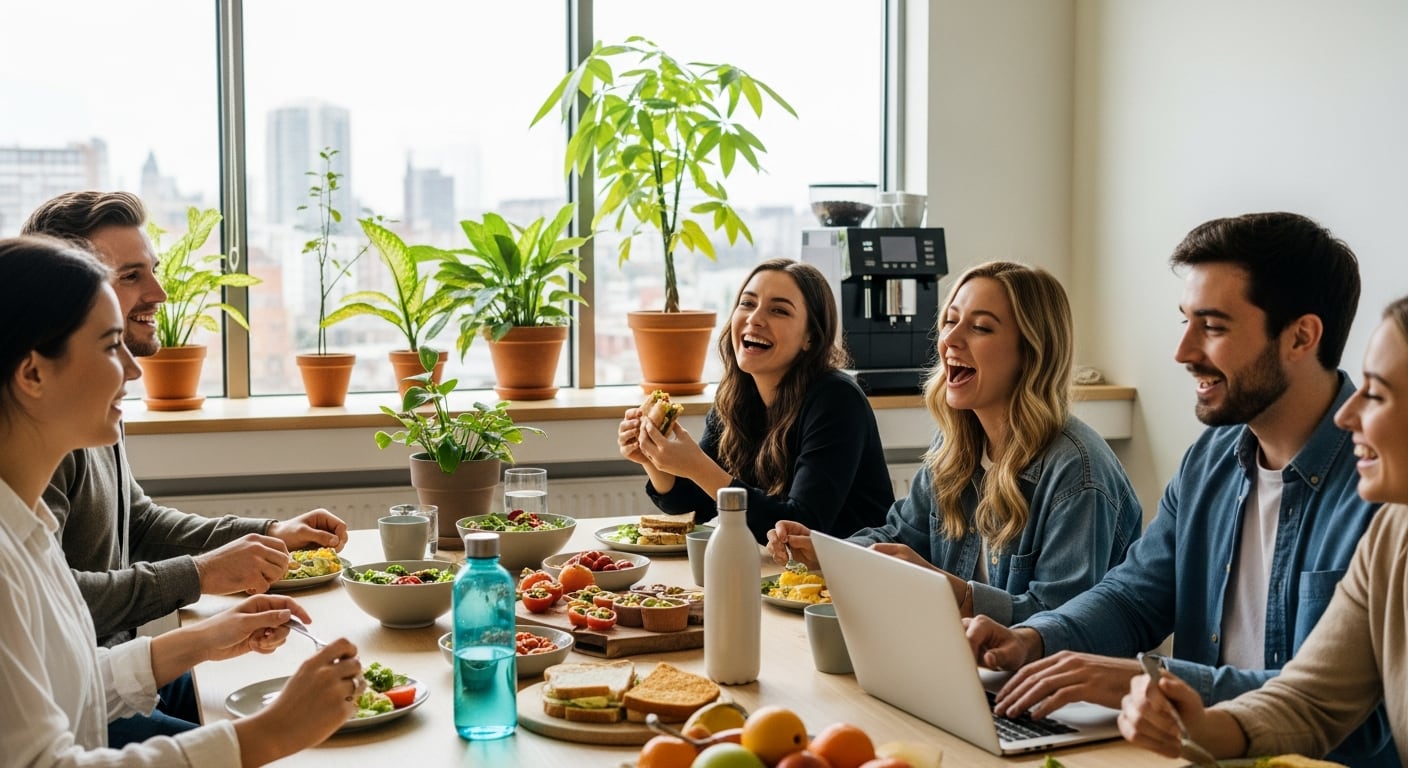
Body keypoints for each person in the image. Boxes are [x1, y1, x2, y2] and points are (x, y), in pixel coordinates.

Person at [966, 212, 1394, 766]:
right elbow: (1134, 597)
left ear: (1301, 337)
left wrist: (1150, 680)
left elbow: (1350, 711)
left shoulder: (1385, 489)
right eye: (1185, 320)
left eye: (1212, 327)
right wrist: (1035, 639)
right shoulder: (1211, 459)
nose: (1183, 350)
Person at [0, 235, 360, 766]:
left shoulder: (27, 526)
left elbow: (71, 683)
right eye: (108, 346)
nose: (134, 368)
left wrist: (208, 638)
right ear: (32, 373)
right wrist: (270, 734)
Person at [767, 261, 1142, 625]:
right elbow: (900, 535)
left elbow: (1063, 628)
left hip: (1044, 687)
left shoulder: (1078, 473)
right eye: (950, 321)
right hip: (966, 667)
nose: (951, 339)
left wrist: (953, 591)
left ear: (1031, 353)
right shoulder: (954, 447)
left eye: (980, 327)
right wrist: (825, 551)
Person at [1118, 295, 1408, 765]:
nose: (1347, 415)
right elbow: (1312, 699)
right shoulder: (1394, 532)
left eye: (1374, 393)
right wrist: (1199, 724)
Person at [617, 257, 894, 541]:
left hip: (851, 574)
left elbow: (800, 525)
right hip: (783, 573)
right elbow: (693, 506)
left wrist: (696, 465)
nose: (755, 319)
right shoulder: (735, 397)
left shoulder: (837, 400)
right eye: (747, 304)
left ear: (810, 337)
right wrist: (652, 457)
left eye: (779, 310)